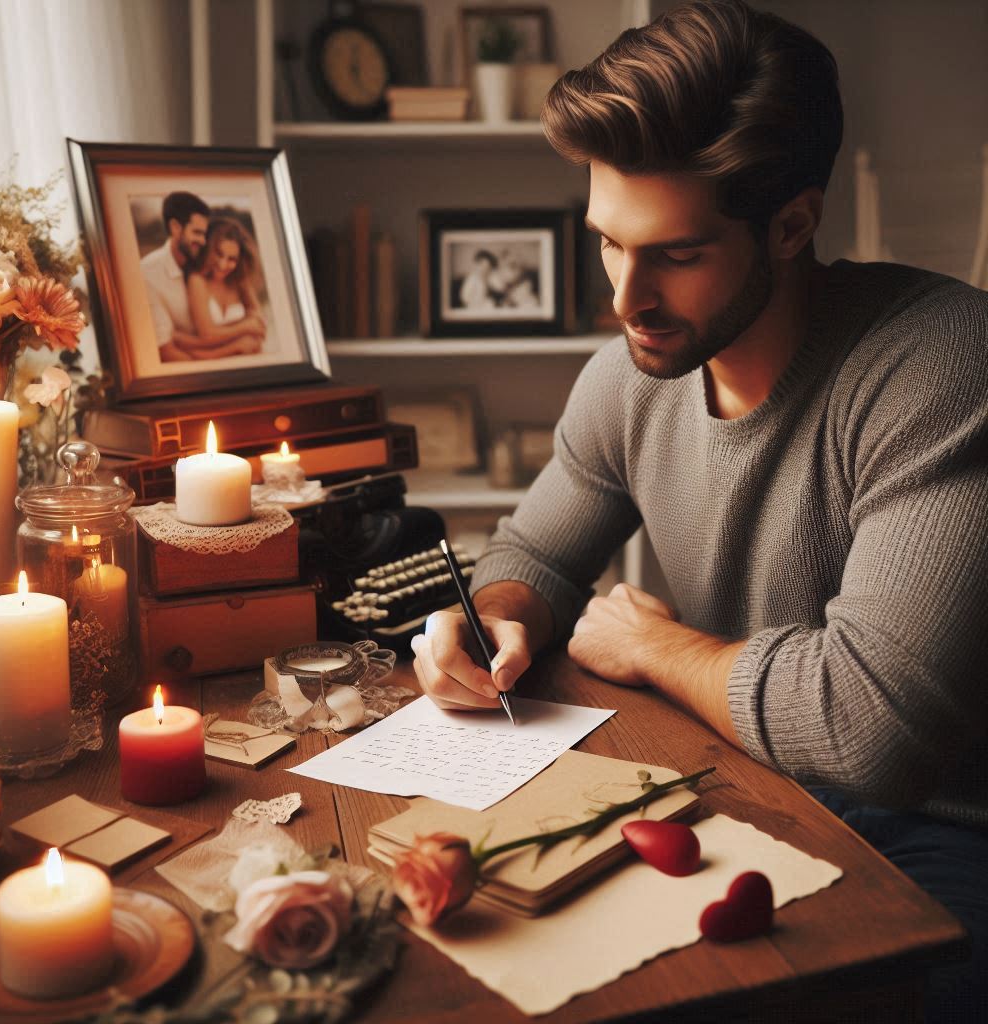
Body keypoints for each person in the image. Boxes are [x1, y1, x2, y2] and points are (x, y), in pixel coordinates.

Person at [411, 2, 987, 1019]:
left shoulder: (943, 363)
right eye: (606, 244)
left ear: (792, 225)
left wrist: (662, 649)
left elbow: (872, 731)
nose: (625, 296)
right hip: (745, 781)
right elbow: (535, 551)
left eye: (673, 253)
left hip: (945, 828)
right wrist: (493, 619)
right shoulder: (628, 376)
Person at [139, 191, 210, 363]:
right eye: (197, 233)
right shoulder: (148, 274)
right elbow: (165, 351)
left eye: (204, 234)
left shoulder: (206, 260)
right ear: (175, 227)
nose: (203, 241)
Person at [184, 217, 267, 360]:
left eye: (232, 259)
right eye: (219, 253)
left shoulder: (240, 281)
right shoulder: (197, 280)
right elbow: (207, 334)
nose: (223, 265)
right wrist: (241, 335)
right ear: (208, 249)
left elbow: (260, 327)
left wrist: (211, 342)